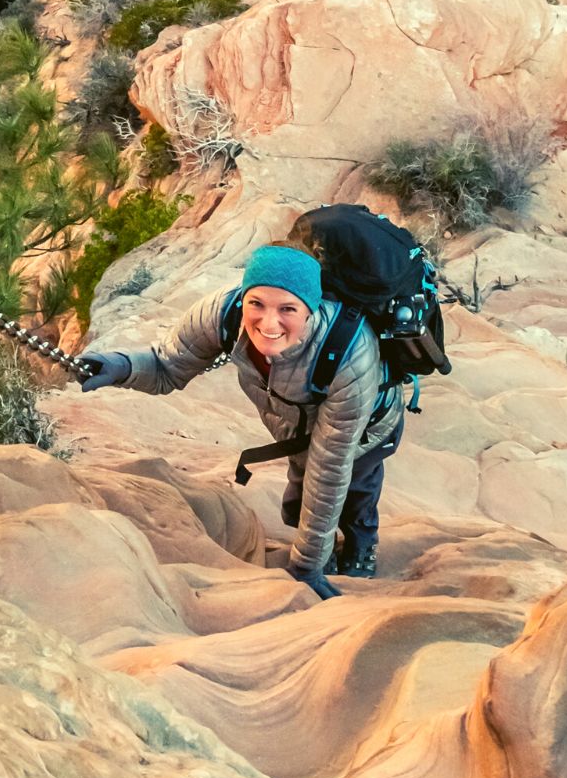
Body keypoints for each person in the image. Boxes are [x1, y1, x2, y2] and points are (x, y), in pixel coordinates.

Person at [75, 244, 403, 600]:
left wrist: (307, 567)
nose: (269, 322)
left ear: (311, 310)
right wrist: (120, 366)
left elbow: (329, 468)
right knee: (297, 502)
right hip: (298, 429)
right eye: (257, 303)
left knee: (355, 491)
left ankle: (361, 548)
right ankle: (325, 548)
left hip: (369, 427)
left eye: (288, 309)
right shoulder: (223, 314)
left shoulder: (349, 353)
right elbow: (167, 365)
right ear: (243, 296)